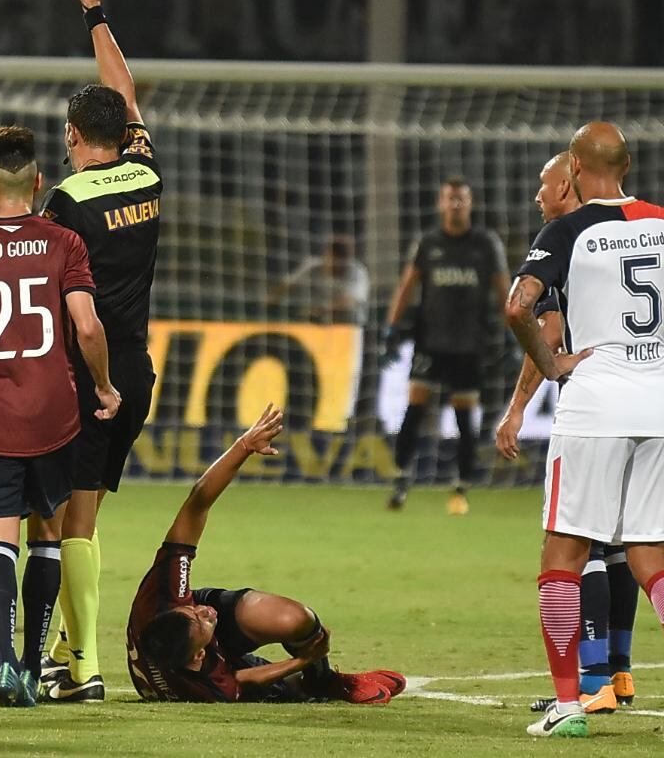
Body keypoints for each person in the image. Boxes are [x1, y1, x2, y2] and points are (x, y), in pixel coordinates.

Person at [0, 126, 120, 707]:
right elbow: (87, 327)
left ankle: (6, 663)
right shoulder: (63, 242)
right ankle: (34, 666)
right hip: (53, 416)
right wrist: (105, 389)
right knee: (48, 538)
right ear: (38, 181)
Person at [506, 122, 664, 739]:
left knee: (563, 554)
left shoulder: (567, 230)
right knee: (649, 553)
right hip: (659, 405)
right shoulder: (660, 221)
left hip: (597, 405)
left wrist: (554, 367)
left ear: (574, 166)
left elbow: (520, 305)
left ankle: (569, 702)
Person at [40, 0, 162, 704]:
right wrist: (96, 14)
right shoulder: (147, 174)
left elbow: (56, 299)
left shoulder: (66, 202)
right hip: (139, 370)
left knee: (69, 521)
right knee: (83, 515)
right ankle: (62, 648)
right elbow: (127, 92)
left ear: (74, 135)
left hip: (92, 377)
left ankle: (82, 667)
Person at [128, 405, 405, 705]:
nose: (206, 611)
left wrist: (243, 446)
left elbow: (197, 503)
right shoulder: (207, 687)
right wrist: (302, 661)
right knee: (284, 692)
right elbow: (238, 680)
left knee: (293, 618)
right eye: (203, 620)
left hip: (184, 643)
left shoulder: (162, 596)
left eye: (192, 609)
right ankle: (315, 685)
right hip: (217, 672)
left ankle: (323, 680)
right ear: (199, 656)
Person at [382, 176, 509, 514]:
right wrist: (391, 328)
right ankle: (401, 478)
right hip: (430, 341)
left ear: (470, 204)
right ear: (441, 204)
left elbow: (502, 288)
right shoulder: (428, 243)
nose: (455, 205)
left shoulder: (485, 244)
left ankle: (461, 486)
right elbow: (406, 285)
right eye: (450, 199)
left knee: (466, 417)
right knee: (415, 409)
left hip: (469, 344)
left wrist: (512, 331)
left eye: (461, 199)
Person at [267, 234, 369, 325]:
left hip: (349, 325)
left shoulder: (358, 272)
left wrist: (321, 309)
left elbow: (349, 301)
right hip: (319, 323)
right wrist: (273, 298)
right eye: (331, 256)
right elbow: (288, 282)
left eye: (342, 259)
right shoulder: (313, 266)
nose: (335, 263)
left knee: (349, 312)